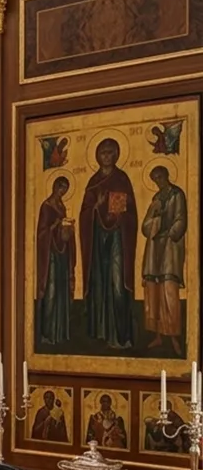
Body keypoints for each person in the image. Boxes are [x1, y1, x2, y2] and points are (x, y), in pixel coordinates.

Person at [79, 138, 138, 350]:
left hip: (117, 239)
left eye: (110, 152)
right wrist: (96, 206)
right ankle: (101, 332)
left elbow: (129, 212)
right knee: (99, 283)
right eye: (102, 152)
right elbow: (85, 213)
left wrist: (119, 211)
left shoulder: (122, 179)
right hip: (97, 240)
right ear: (97, 155)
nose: (106, 156)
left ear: (116, 155)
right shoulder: (93, 181)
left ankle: (120, 336)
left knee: (117, 284)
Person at [141, 165, 187, 356]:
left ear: (167, 176)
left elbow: (181, 219)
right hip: (154, 249)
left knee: (169, 290)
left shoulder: (177, 194)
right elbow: (145, 227)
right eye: (155, 179)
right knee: (154, 291)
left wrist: (170, 233)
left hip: (169, 246)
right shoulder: (156, 200)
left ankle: (174, 337)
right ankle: (159, 334)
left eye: (160, 177)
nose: (158, 181)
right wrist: (154, 216)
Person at [35, 175, 75, 347]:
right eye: (60, 188)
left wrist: (67, 228)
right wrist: (55, 226)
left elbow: (62, 231)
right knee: (50, 291)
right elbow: (42, 233)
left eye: (65, 189)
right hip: (50, 255)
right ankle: (46, 333)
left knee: (60, 292)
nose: (62, 192)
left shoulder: (61, 207)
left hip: (61, 255)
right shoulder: (46, 206)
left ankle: (58, 333)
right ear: (54, 187)